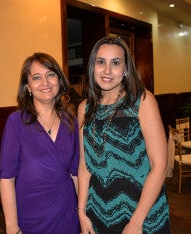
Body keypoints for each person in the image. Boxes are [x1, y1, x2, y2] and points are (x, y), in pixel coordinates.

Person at [77, 36, 170, 234]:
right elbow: (84, 166)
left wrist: (136, 222)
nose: (107, 70)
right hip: (98, 212)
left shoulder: (142, 101)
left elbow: (159, 166)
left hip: (142, 213)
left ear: (126, 69)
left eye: (116, 63)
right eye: (101, 62)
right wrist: (81, 212)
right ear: (93, 66)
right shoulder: (84, 109)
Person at [0, 52, 80, 234]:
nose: (45, 82)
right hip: (30, 215)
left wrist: (82, 213)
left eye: (50, 74)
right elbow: (6, 179)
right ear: (28, 86)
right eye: (36, 77)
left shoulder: (71, 121)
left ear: (59, 80)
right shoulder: (16, 122)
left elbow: (76, 174)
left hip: (66, 212)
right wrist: (12, 227)